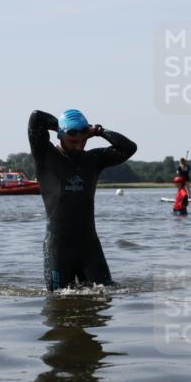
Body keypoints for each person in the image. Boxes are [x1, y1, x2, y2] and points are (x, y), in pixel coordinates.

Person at [29, 108, 137, 291]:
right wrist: (61, 127)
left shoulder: (93, 160)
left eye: (83, 140)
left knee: (107, 295)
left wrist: (99, 131)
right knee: (58, 303)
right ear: (61, 135)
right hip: (58, 248)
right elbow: (36, 118)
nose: (79, 145)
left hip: (89, 247)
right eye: (73, 140)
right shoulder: (46, 156)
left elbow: (129, 148)